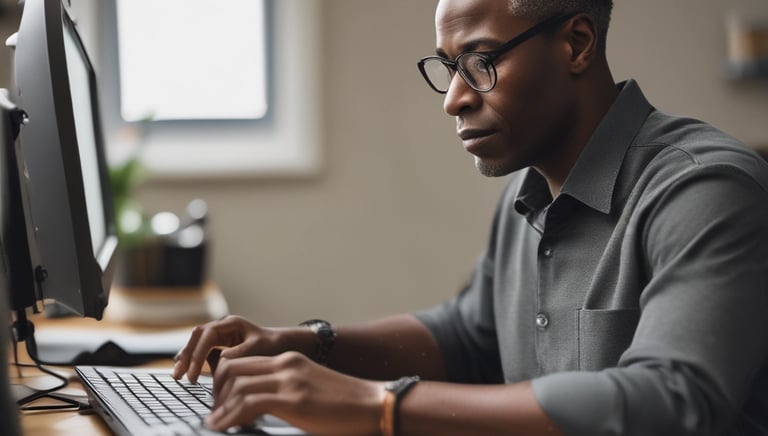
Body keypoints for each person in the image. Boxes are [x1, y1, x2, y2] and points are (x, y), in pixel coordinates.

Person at [173, 0, 768, 434]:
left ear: (577, 44)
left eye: (480, 61)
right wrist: (306, 346)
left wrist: (379, 406)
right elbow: (471, 338)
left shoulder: (706, 189)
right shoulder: (529, 190)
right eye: (447, 66)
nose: (453, 97)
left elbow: (670, 401)